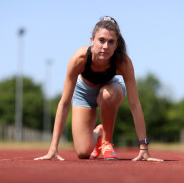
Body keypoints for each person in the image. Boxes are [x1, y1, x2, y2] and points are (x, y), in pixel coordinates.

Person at [34, 16, 163, 161]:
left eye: (111, 42)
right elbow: (64, 103)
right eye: (101, 40)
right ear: (92, 40)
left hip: (111, 90)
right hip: (83, 93)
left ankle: (106, 143)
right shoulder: (79, 58)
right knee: (83, 153)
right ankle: (99, 132)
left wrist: (143, 147)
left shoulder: (123, 62)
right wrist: (53, 148)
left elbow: (135, 105)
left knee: (107, 94)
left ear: (116, 45)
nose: (105, 46)